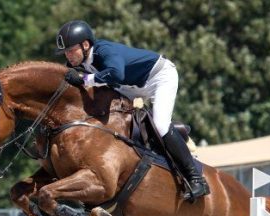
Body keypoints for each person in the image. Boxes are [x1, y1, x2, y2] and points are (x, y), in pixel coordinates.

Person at [55, 20, 209, 202]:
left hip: (158, 77)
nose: (68, 55)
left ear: (86, 44)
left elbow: (116, 74)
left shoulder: (104, 51)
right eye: (65, 52)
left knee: (160, 125)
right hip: (131, 85)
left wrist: (85, 79)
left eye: (71, 50)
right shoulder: (80, 60)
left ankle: (196, 178)